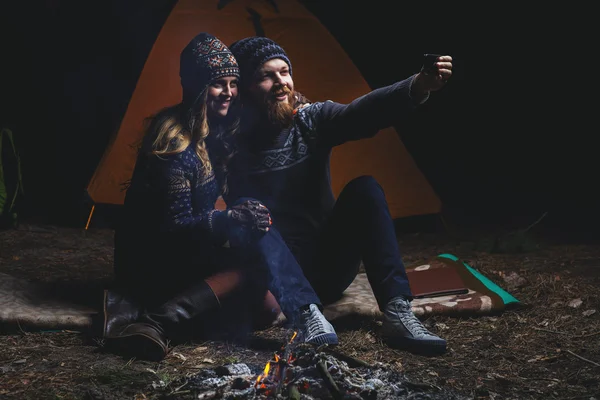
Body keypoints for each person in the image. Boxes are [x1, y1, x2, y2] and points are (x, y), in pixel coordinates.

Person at [225, 36, 453, 355]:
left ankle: (397, 312)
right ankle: (305, 315)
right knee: (246, 212)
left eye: (285, 71)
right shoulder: (227, 147)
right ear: (244, 87)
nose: (281, 82)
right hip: (277, 278)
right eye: (266, 75)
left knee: (366, 189)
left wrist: (417, 86)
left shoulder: (310, 120)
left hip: (330, 266)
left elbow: (363, 113)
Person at [99, 33, 279, 361]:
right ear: (197, 85)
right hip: (153, 258)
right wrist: (228, 220)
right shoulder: (174, 143)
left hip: (186, 252)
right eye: (218, 84)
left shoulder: (210, 131)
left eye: (232, 83)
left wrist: (242, 211)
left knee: (268, 309)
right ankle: (157, 322)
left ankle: (184, 315)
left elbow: (209, 207)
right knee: (249, 269)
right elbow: (174, 227)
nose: (229, 92)